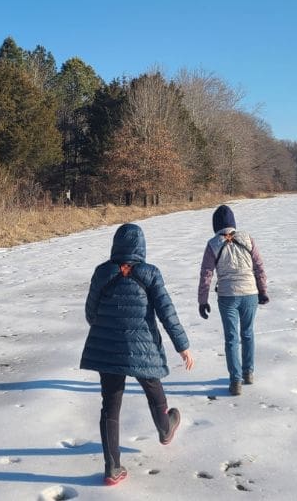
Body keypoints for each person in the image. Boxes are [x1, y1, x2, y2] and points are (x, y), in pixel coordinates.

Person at [80, 223, 193, 486]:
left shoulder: (102, 272)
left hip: (107, 348)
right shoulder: (150, 274)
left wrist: (108, 327)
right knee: (154, 389)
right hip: (143, 347)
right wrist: (183, 345)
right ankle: (166, 429)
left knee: (110, 406)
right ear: (141, 246)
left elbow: (90, 311)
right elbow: (167, 312)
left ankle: (112, 468)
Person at [198, 204, 268, 396]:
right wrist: (262, 290)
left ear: (216, 225)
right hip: (250, 293)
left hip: (227, 296)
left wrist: (202, 300)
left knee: (231, 338)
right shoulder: (247, 238)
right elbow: (259, 266)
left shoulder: (213, 244)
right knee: (248, 333)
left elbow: (206, 274)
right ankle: (248, 373)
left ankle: (235, 381)